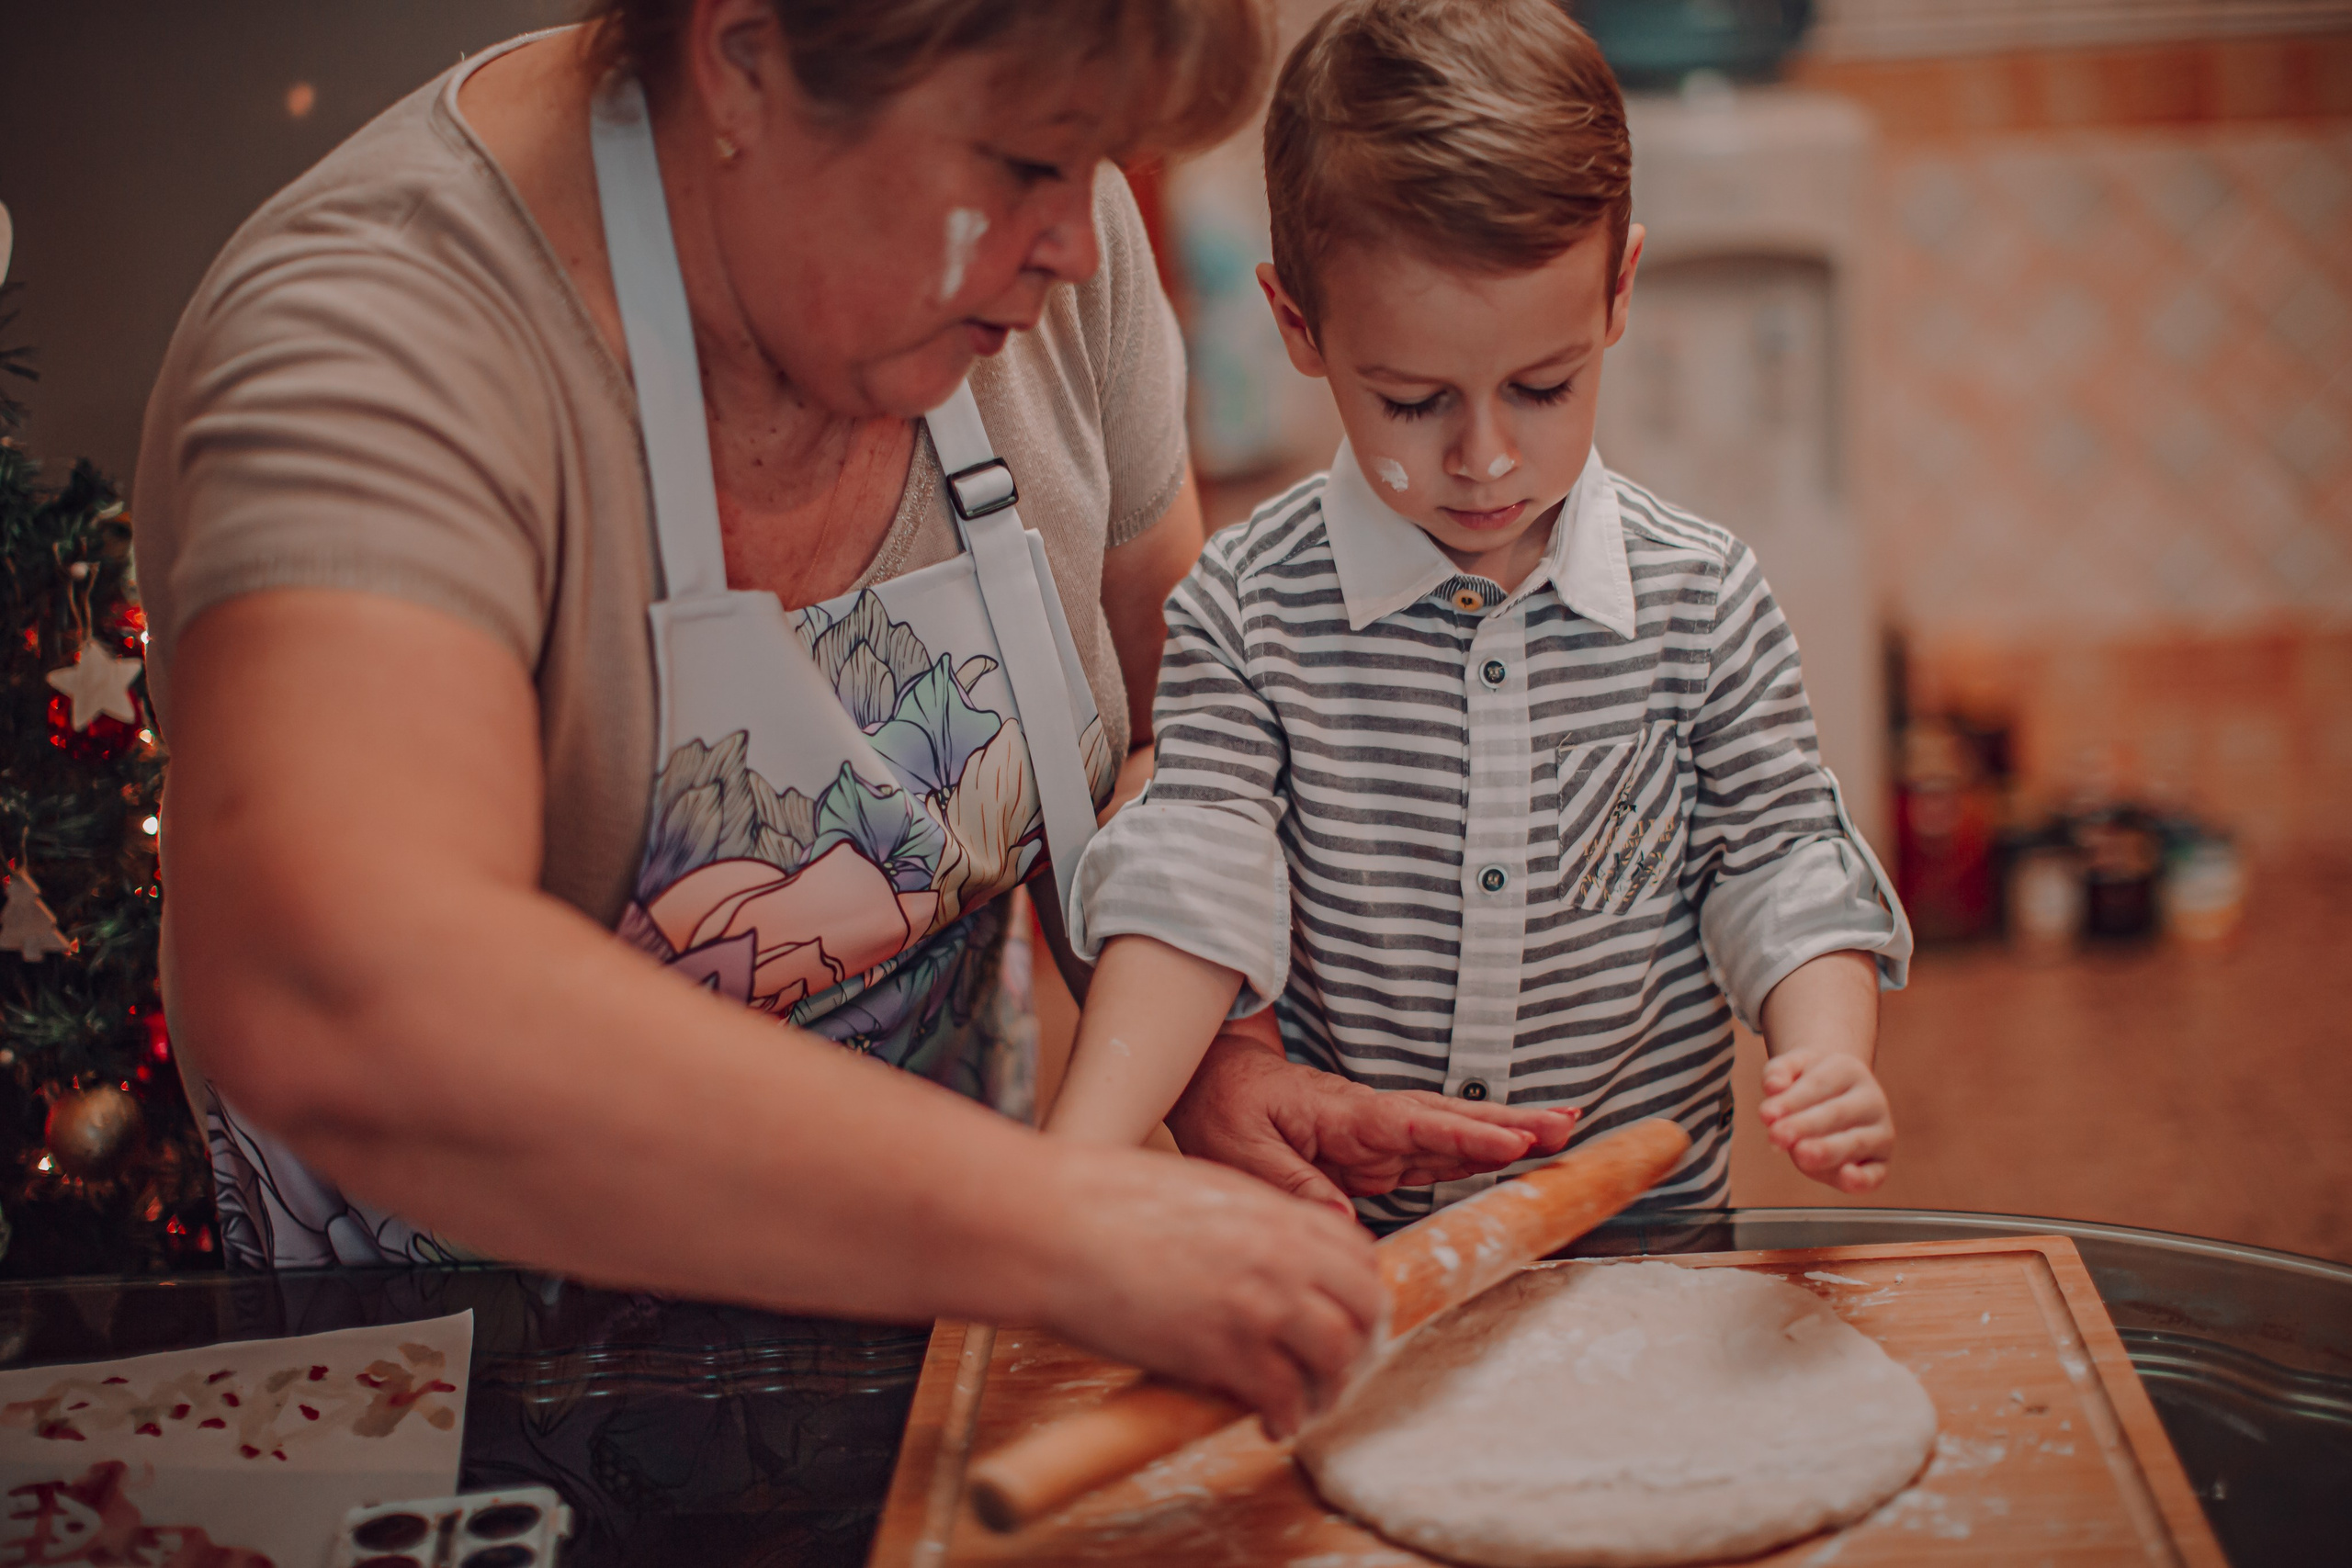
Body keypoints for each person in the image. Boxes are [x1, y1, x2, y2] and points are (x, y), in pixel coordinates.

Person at [128, 0, 1521, 1436]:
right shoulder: (376, 351)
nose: (1086, 241)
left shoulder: (1041, 280)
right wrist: (1053, 1224)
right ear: (743, 56)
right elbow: (344, 994)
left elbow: (1175, 745)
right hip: (460, 1409)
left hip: (925, 1351)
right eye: (1029, 163)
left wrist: (1206, 1055)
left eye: (1098, 161)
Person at [1049, 0, 1915, 1227]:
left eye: (1544, 386)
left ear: (1619, 296)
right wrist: (1078, 1162)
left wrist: (1826, 1050)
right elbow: (1193, 892)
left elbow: (1777, 861)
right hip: (1358, 1269)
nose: (1486, 458)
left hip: (1646, 1262)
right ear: (1301, 326)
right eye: (1413, 400)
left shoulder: (1701, 600)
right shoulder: (1250, 611)